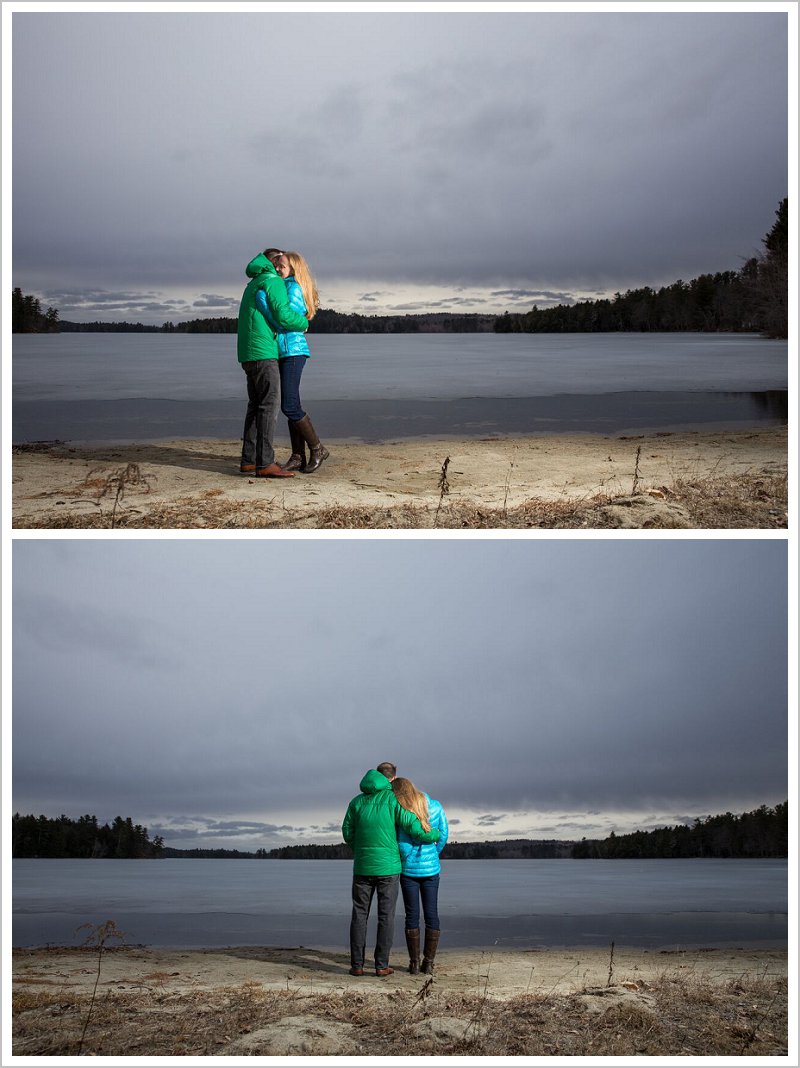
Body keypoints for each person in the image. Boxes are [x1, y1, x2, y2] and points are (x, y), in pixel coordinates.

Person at [342, 768, 440, 978]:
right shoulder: (392, 799)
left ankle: (357, 965)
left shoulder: (356, 802)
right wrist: (434, 834)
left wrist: (360, 849)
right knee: (386, 917)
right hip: (389, 869)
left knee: (359, 915)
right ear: (388, 781)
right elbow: (413, 827)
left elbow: (347, 832)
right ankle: (380, 965)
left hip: (362, 867)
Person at [236, 248, 309, 478]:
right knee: (269, 405)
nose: (279, 267)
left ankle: (249, 460)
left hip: (247, 352)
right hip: (263, 351)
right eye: (277, 261)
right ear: (271, 262)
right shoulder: (272, 281)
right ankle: (265, 463)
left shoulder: (254, 282)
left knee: (255, 405)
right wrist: (303, 323)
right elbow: (283, 316)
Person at [264, 251, 330, 474]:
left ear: (293, 269)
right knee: (293, 403)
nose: (278, 269)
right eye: (277, 266)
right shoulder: (286, 286)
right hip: (286, 351)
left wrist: (264, 304)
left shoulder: (292, 288)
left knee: (289, 405)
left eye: (282, 266)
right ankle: (298, 456)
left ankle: (317, 448)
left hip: (293, 351)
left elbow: (285, 322)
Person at [392, 776, 449, 975]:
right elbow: (443, 834)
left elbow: (400, 839)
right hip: (432, 870)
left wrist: (406, 856)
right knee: (432, 915)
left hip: (409, 871)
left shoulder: (402, 809)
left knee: (412, 916)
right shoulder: (435, 806)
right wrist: (434, 853)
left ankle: (414, 963)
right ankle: (429, 963)